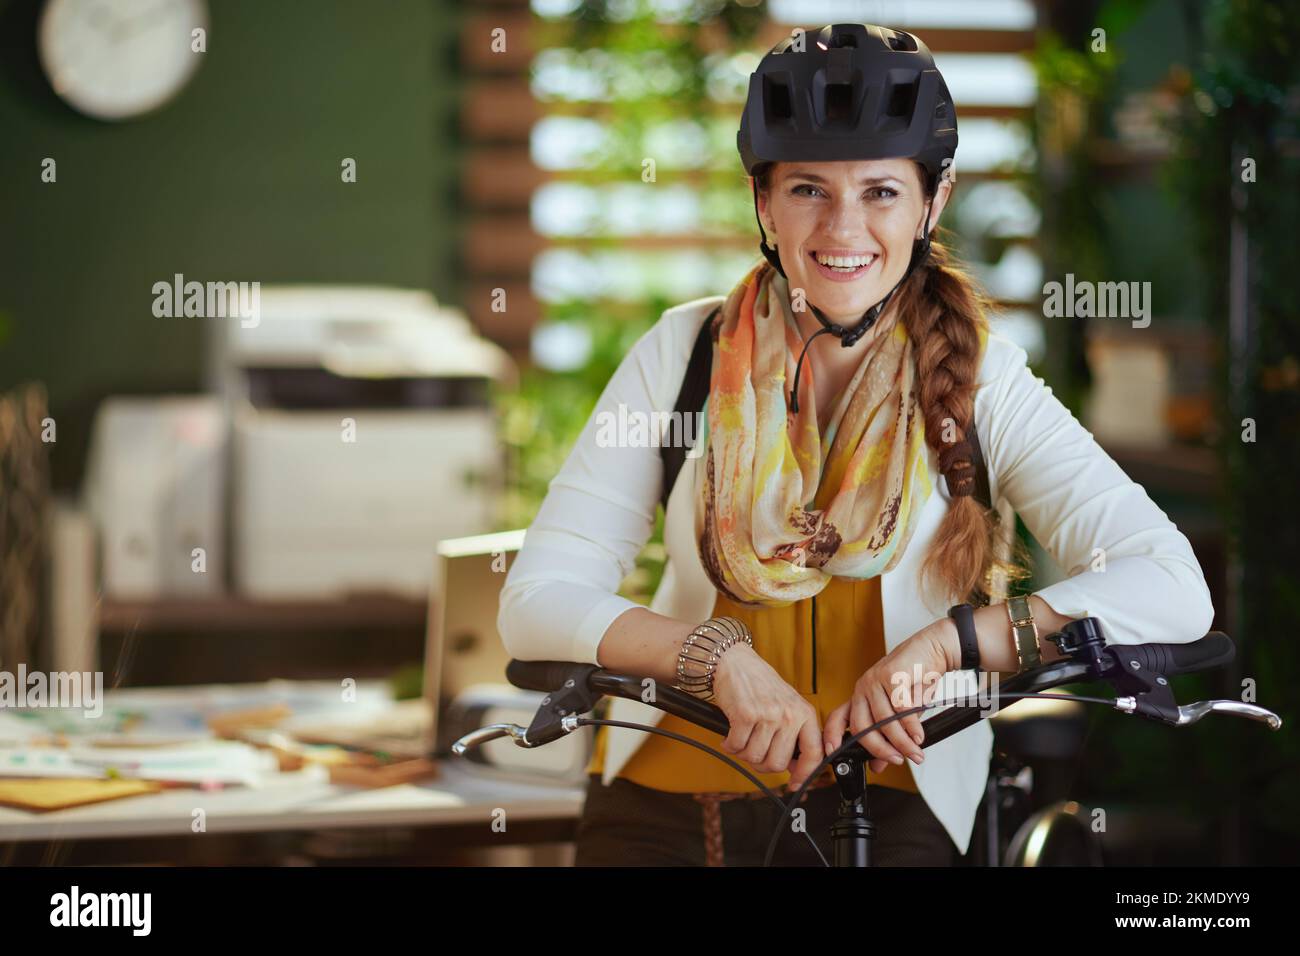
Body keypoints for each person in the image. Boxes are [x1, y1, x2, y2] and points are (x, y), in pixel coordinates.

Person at [497, 22, 1215, 866]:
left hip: (896, 790)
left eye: (880, 191)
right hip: (669, 791)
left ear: (930, 203)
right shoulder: (683, 353)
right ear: (763, 201)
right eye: (808, 189)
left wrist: (949, 643)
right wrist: (712, 656)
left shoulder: (987, 378)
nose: (843, 228)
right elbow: (536, 598)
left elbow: (1171, 585)